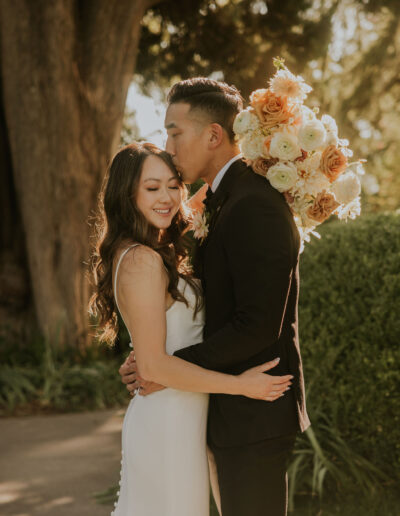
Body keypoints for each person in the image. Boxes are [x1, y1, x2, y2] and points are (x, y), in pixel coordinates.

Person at [119, 78, 311, 516]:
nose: (167, 146)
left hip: (254, 413)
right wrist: (155, 357)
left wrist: (168, 368)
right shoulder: (222, 200)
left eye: (174, 131)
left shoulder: (254, 203)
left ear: (213, 135)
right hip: (224, 411)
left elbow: (258, 324)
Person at [89, 141, 293, 516]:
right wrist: (241, 385)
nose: (166, 197)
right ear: (126, 196)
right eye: (152, 188)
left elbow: (213, 194)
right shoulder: (142, 261)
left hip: (185, 414)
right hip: (167, 420)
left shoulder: (152, 248)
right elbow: (154, 368)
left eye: (172, 184)